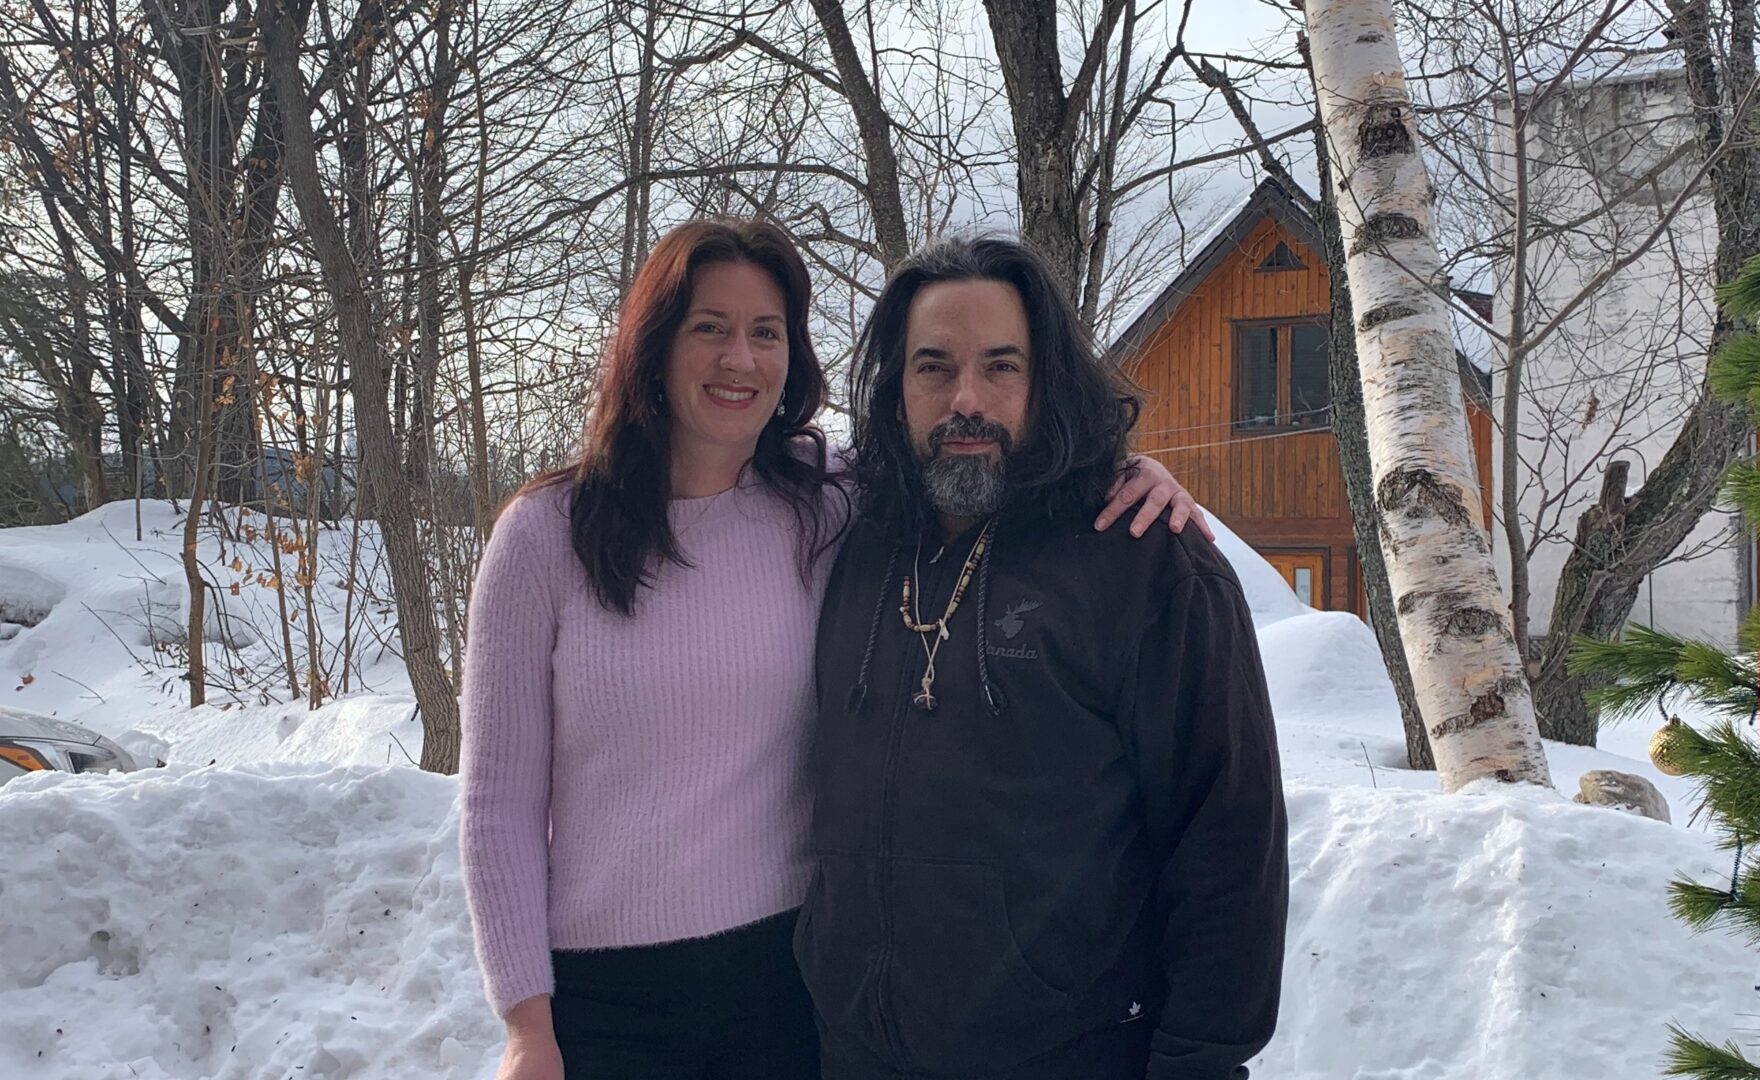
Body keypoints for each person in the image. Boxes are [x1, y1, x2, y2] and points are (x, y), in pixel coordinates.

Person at [458, 218, 1206, 1080]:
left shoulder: (829, 502)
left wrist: (1120, 472)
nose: (740, 359)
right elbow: (498, 806)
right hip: (602, 1003)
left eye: (766, 332)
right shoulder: (544, 536)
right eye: (710, 327)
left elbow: (973, 455)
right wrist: (526, 1024)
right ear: (652, 344)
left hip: (787, 992)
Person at [800, 236, 1288, 1080]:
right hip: (851, 1053)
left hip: (1071, 1052)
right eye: (933, 367)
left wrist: (1200, 1063)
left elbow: (1228, 841)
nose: (966, 399)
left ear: (1047, 378)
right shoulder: (849, 538)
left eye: (1001, 366)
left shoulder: (1144, 560)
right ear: (893, 387)